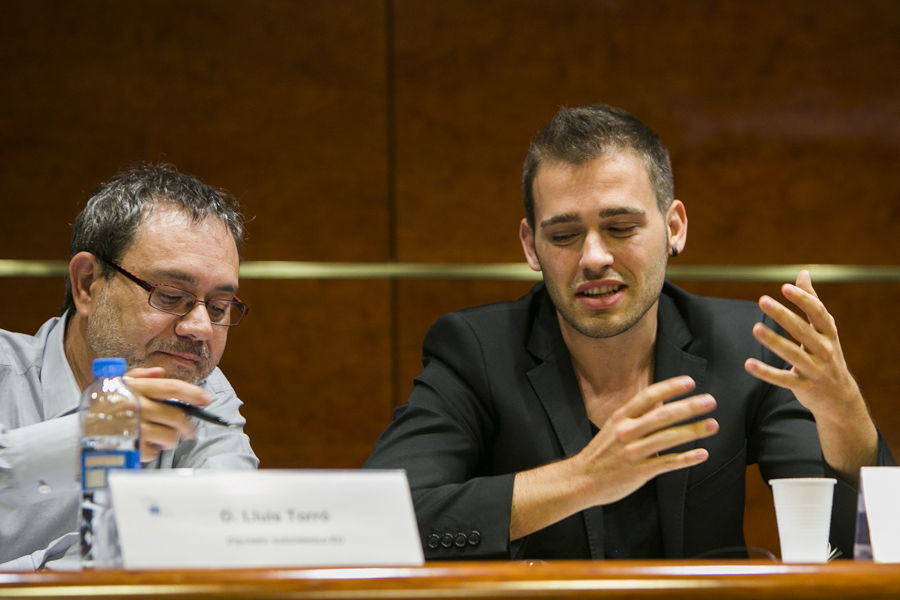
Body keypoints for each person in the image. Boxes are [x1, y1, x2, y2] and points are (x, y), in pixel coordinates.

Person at [364, 104, 895, 560]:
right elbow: (377, 522)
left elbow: (863, 542)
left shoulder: (747, 346)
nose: (594, 257)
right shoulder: (476, 351)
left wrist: (843, 415)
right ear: (531, 246)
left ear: (674, 228)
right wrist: (585, 480)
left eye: (621, 228)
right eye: (565, 234)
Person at [0, 164, 258, 570]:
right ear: (87, 284)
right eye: (171, 296)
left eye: (220, 307)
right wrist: (87, 441)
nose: (201, 328)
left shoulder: (200, 386)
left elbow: (231, 539)